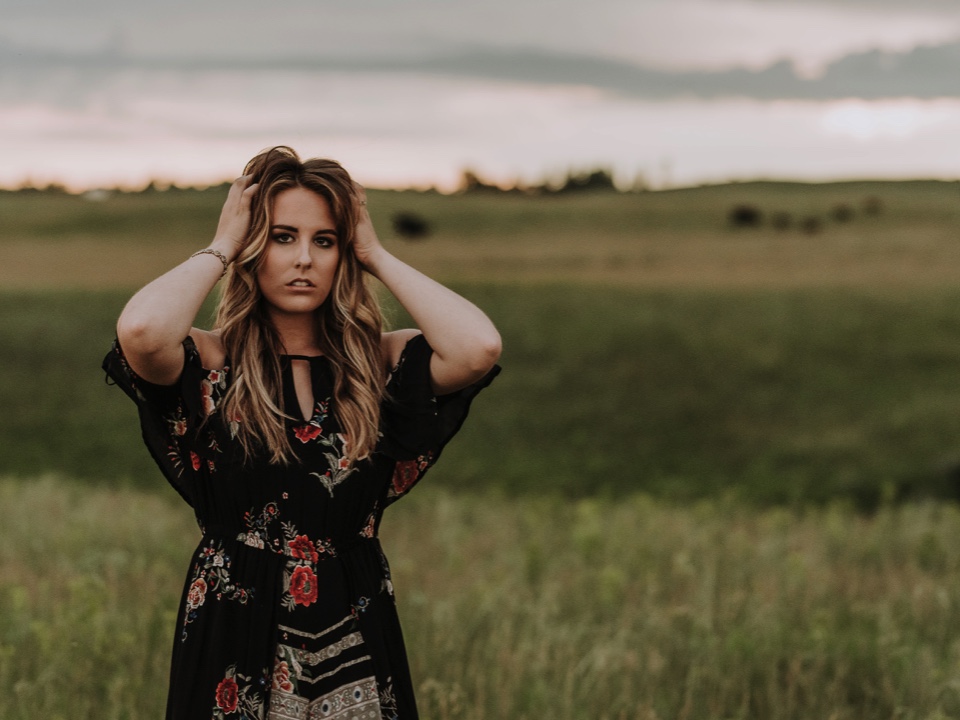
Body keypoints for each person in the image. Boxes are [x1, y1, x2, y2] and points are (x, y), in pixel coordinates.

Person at [103, 146, 501, 720]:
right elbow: (141, 331)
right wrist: (221, 245)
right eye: (282, 237)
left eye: (325, 240)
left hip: (354, 612)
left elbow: (478, 348)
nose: (304, 260)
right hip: (235, 619)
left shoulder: (377, 365)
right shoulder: (213, 363)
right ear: (252, 248)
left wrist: (376, 253)